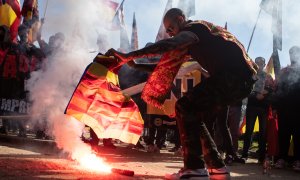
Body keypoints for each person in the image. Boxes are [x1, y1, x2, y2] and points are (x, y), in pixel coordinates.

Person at [106, 8, 258, 179]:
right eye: (167, 31)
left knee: (184, 106)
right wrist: (135, 64)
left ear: (180, 19)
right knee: (191, 112)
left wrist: (129, 55)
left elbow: (169, 45)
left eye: (171, 28)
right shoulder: (193, 41)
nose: (170, 34)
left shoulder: (194, 29)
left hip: (235, 76)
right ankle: (217, 167)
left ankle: (195, 168)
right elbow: (164, 68)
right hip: (238, 79)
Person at [241, 57, 274, 163]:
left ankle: (261, 157)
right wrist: (256, 94)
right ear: (255, 64)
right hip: (251, 106)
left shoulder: (268, 76)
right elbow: (246, 88)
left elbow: (272, 87)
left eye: (261, 63)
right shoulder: (251, 75)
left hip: (263, 108)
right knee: (249, 131)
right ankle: (244, 154)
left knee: (263, 132)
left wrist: (264, 93)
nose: (259, 64)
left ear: (264, 65)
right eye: (257, 63)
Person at [274, 46, 300, 171]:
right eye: (291, 53)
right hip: (284, 108)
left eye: (295, 53)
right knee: (283, 134)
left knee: (298, 135)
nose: (292, 55)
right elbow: (277, 88)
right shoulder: (284, 71)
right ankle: (282, 159)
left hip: (298, 108)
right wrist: (275, 106)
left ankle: (297, 160)